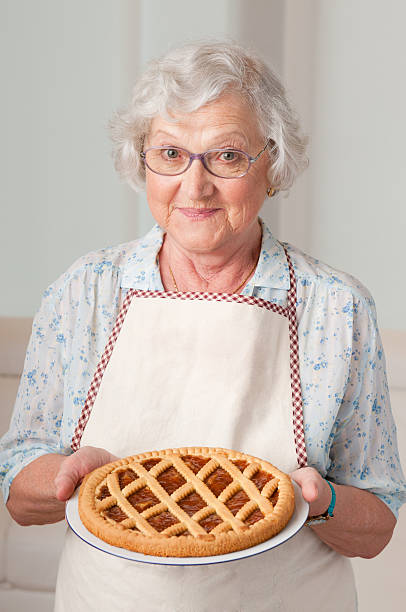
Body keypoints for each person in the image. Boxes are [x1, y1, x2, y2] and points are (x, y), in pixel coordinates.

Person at [1, 40, 405, 611]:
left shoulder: (335, 308)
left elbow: (378, 523)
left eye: (227, 156)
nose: (195, 186)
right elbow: (20, 491)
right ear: (139, 160)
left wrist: (322, 501)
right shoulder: (84, 291)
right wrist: (67, 475)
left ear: (274, 164)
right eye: (169, 154)